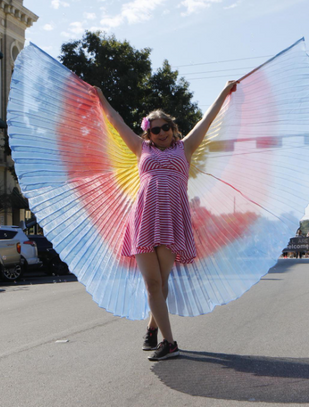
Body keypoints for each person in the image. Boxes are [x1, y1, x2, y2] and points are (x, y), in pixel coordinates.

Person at [93, 80, 238, 361]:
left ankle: (152, 330)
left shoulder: (185, 148)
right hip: (144, 219)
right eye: (153, 129)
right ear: (148, 133)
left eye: (164, 127)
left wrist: (223, 91)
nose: (160, 133)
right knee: (152, 283)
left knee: (162, 281)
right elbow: (116, 120)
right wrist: (100, 97)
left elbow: (208, 118)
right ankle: (169, 342)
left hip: (171, 219)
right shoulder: (141, 149)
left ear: (173, 128)